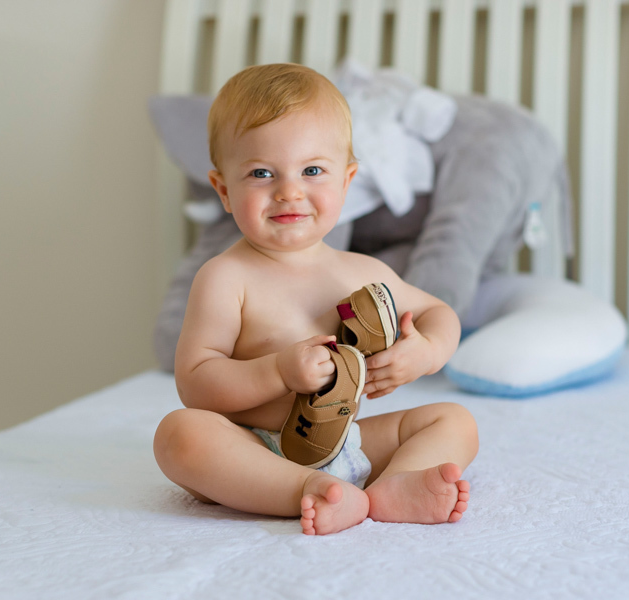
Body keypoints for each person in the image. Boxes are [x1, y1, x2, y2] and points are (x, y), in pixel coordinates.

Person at [153, 63, 479, 536]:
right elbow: (196, 383)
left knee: (454, 420)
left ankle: (397, 485)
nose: (290, 191)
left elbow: (438, 313)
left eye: (312, 170)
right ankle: (304, 489)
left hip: (349, 439)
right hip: (254, 451)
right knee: (179, 436)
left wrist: (425, 351)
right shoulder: (226, 278)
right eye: (262, 173)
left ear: (346, 181)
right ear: (224, 189)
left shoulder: (362, 272)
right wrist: (277, 371)